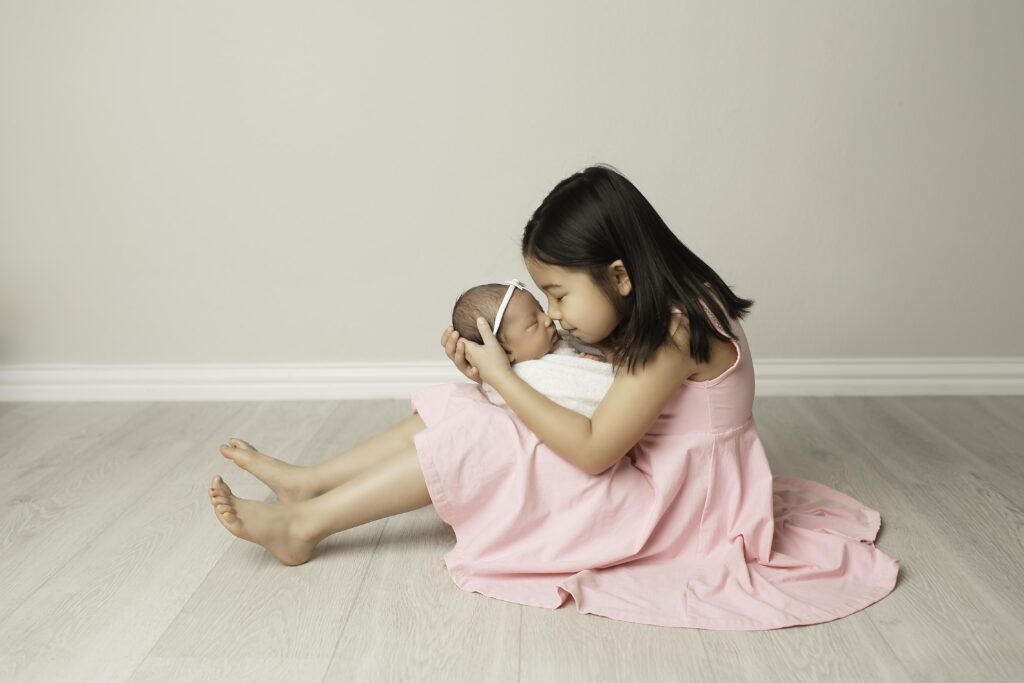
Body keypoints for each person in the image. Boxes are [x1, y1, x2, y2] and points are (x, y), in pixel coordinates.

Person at [208, 163, 899, 630]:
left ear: (622, 276)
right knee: (463, 405)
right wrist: (498, 369)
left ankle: (303, 528)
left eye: (561, 293)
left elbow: (597, 450)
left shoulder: (672, 332)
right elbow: (599, 383)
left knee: (485, 433)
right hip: (654, 473)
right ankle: (311, 484)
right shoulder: (665, 307)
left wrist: (509, 381)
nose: (556, 312)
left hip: (670, 507)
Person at [452, 278, 613, 417]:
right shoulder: (528, 378)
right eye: (533, 324)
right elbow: (580, 403)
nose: (548, 319)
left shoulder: (560, 342)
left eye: (541, 310)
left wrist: (587, 362)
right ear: (504, 352)